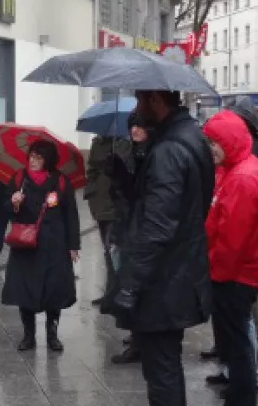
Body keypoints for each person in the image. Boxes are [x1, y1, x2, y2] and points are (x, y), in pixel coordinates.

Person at [107, 90, 214, 406]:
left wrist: (129, 285)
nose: (138, 110)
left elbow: (157, 226)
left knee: (161, 367)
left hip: (165, 278)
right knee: (166, 362)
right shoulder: (190, 137)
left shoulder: (169, 149)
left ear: (156, 101)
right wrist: (130, 181)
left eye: (141, 102)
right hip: (181, 268)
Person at [201, 111, 258, 406]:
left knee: (238, 334)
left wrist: (215, 272)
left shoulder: (243, 177)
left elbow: (234, 238)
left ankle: (243, 393)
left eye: (214, 143)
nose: (210, 149)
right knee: (231, 334)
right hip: (229, 269)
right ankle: (235, 380)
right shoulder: (233, 169)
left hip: (235, 273)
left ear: (229, 142)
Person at [1, 140, 80, 352]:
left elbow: (71, 213)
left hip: (54, 244)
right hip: (26, 244)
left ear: (48, 160)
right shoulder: (19, 178)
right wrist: (14, 202)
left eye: (39, 157)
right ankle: (29, 335)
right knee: (25, 289)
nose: (33, 161)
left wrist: (73, 245)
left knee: (54, 289)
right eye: (32, 156)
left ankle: (52, 334)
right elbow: (4, 208)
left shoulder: (60, 181)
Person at [107, 113, 150, 365]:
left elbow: (141, 195)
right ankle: (136, 336)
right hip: (127, 227)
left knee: (138, 287)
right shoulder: (132, 152)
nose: (134, 130)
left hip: (143, 231)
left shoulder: (153, 154)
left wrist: (124, 179)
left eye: (139, 125)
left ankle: (140, 340)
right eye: (132, 125)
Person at [84, 133, 125, 304]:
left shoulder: (125, 141)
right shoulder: (98, 142)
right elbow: (91, 169)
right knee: (108, 249)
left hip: (117, 204)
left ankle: (117, 292)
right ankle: (111, 291)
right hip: (100, 203)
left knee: (115, 249)